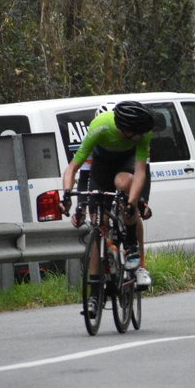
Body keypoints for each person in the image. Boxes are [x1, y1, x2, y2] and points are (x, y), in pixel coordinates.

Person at [62, 100, 156, 299]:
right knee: (98, 224)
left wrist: (134, 203)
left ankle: (132, 248)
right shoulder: (100, 126)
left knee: (124, 185)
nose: (142, 136)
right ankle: (95, 292)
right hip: (102, 165)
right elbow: (73, 168)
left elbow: (141, 173)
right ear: (125, 129)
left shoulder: (143, 132)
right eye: (137, 133)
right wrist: (67, 195)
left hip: (127, 164)